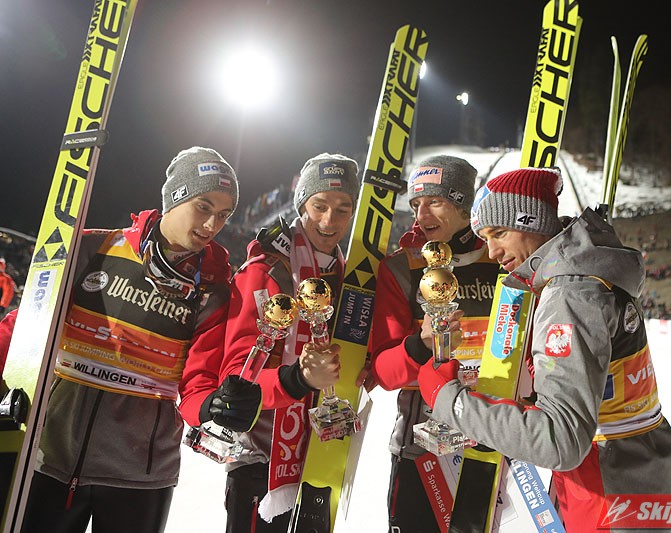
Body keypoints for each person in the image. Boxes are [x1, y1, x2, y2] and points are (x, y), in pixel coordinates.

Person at [418, 167, 671, 532]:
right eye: (485, 238)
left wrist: (449, 399)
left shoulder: (570, 294)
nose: (492, 251)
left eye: (499, 233)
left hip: (605, 495)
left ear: (532, 220)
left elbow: (562, 441)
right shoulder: (591, 270)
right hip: (637, 477)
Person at [21, 146, 246, 533]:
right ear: (174, 198)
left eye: (224, 215)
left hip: (141, 475)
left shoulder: (211, 291)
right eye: (204, 206)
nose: (212, 224)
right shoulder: (92, 249)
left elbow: (196, 385)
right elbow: (25, 326)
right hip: (51, 455)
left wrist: (214, 405)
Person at [204, 153, 359, 532]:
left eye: (342, 209)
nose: (329, 220)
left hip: (322, 456)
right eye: (319, 206)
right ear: (301, 204)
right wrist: (299, 379)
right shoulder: (265, 270)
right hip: (261, 461)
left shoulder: (349, 277)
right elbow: (237, 374)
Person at [368, 155, 500, 531]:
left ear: (464, 206)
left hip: (491, 443)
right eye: (416, 204)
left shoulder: (501, 260)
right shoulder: (402, 268)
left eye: (434, 202)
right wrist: (420, 345)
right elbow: (383, 372)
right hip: (422, 450)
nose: (421, 215)